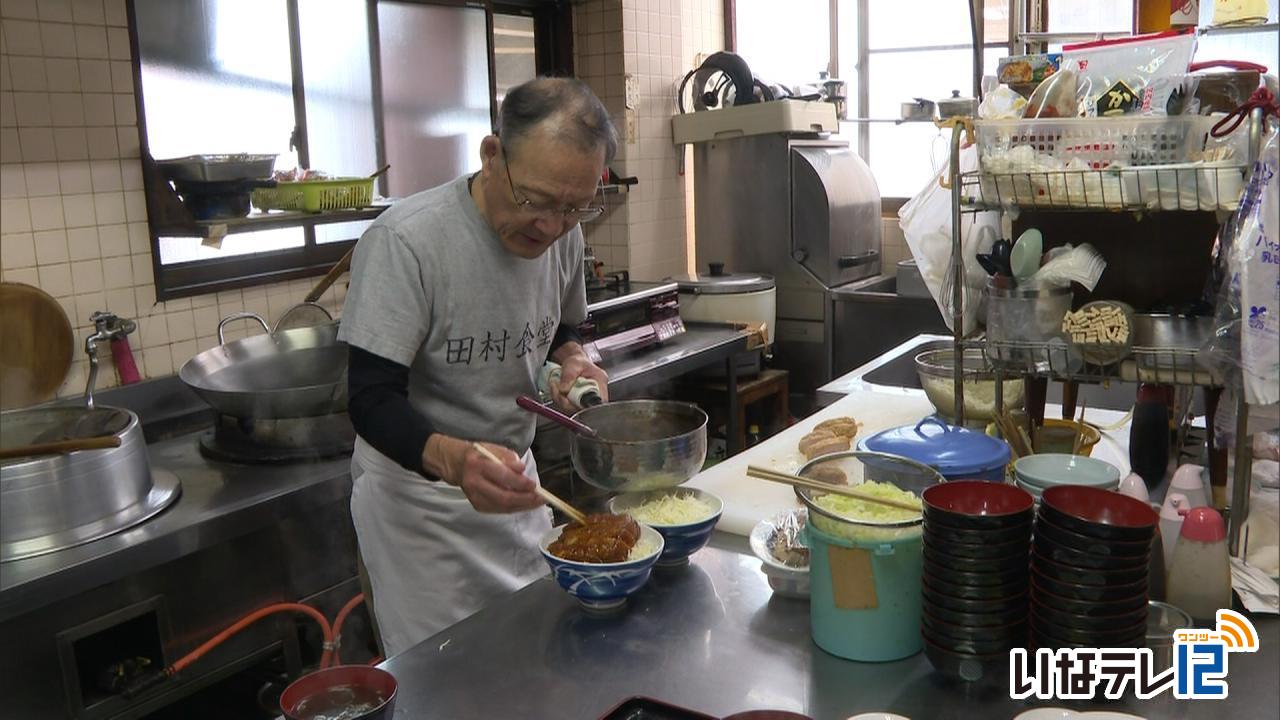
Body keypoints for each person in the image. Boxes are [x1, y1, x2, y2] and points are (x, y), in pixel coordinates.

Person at [337, 77, 615, 657]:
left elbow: (560, 326)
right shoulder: (407, 243)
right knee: (448, 678)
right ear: (492, 156)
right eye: (534, 200)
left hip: (515, 482)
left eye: (574, 206)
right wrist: (455, 460)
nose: (550, 225)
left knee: (537, 654)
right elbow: (369, 399)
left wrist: (574, 360)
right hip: (421, 506)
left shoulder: (563, 230)